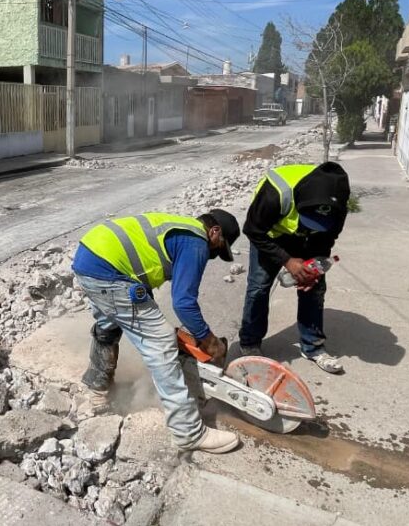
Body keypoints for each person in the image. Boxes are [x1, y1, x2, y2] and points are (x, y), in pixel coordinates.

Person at [72, 209, 242, 453]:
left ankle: (98, 388)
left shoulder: (180, 225)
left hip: (89, 258)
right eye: (219, 247)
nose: (214, 255)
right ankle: (188, 432)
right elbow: (183, 302)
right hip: (109, 270)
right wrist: (208, 340)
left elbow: (140, 262)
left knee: (109, 323)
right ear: (214, 232)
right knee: (161, 341)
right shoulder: (197, 242)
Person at [239, 162, 350, 373]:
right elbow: (253, 230)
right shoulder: (276, 192)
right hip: (269, 235)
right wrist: (288, 261)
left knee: (314, 288)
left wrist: (315, 270)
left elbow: (328, 238)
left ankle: (313, 346)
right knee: (259, 287)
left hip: (310, 242)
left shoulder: (338, 200)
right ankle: (250, 342)